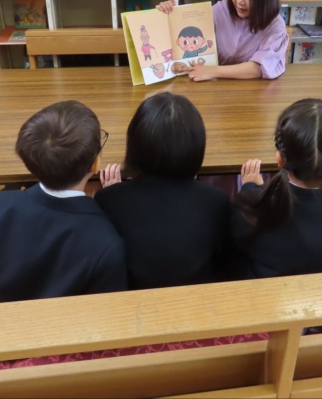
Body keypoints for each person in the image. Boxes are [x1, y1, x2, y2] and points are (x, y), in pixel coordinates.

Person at [0, 101, 127, 304]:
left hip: (4, 321)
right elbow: (108, 308)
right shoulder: (106, 240)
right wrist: (113, 200)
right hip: (67, 330)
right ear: (95, 164)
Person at [94, 92, 233, 289]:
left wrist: (115, 193)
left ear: (134, 145)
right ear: (196, 146)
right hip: (199, 301)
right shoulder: (217, 200)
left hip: (132, 304)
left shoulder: (109, 198)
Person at [230, 99, 322, 279]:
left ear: (280, 159)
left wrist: (250, 186)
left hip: (268, 298)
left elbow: (238, 246)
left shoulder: (252, 206)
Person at [156, 0, 288, 81]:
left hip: (253, 93)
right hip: (212, 88)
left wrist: (212, 71)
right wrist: (171, 14)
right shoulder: (220, 10)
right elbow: (187, 32)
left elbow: (258, 68)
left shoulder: (275, 25)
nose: (240, 1)